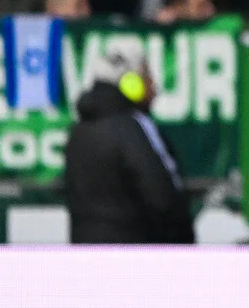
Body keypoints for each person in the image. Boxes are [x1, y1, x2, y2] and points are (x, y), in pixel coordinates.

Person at [62, 54, 193, 244]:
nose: (154, 88)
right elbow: (162, 198)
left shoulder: (78, 131)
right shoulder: (133, 129)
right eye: (147, 78)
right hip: (133, 256)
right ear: (132, 84)